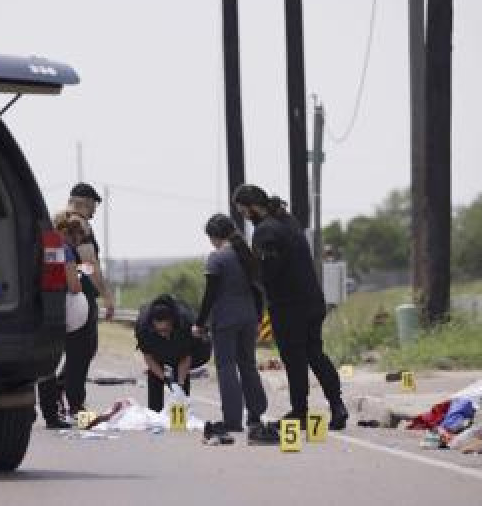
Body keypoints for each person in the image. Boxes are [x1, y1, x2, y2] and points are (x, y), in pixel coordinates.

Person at [232, 184, 348, 430]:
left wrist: (242, 251)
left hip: (289, 306)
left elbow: (265, 274)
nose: (245, 218)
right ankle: (337, 406)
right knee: (316, 354)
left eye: (244, 212)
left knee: (294, 360)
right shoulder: (287, 220)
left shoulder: (265, 232)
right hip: (313, 300)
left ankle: (300, 413)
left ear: (253, 208)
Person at [193, 214, 277, 443]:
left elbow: (209, 296)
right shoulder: (247, 255)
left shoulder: (217, 258)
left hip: (225, 320)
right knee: (248, 365)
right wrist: (258, 317)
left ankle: (232, 419)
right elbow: (258, 290)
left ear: (213, 237)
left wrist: (199, 324)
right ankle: (256, 415)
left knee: (226, 367)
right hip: (249, 318)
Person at [60, 182, 114, 415]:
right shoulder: (79, 224)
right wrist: (106, 295)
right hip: (80, 298)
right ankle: (74, 402)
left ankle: (62, 392)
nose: (94, 213)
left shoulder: (59, 221)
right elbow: (88, 263)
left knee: (76, 350)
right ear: (86, 202)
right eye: (93, 206)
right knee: (82, 351)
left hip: (64, 296)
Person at [38, 211, 87, 428]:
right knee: (50, 362)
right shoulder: (64, 250)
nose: (79, 242)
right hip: (56, 309)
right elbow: (74, 287)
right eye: (78, 237)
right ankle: (51, 415)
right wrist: (79, 274)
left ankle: (43, 411)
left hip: (38, 306)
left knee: (42, 362)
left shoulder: (45, 244)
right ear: (68, 232)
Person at [135, 294, 211, 412]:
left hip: (191, 349)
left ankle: (181, 410)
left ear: (172, 321)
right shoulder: (143, 327)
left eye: (165, 330)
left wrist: (179, 385)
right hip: (158, 349)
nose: (162, 334)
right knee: (155, 374)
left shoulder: (185, 322)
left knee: (179, 382)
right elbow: (148, 357)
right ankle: (155, 413)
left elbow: (186, 357)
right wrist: (165, 378)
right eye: (158, 330)